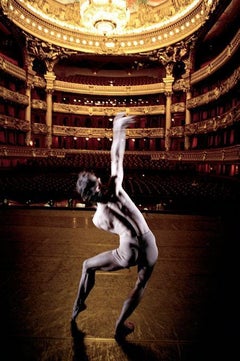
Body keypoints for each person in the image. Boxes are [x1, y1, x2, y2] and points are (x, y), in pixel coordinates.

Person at [71, 112, 158, 341]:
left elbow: (110, 220)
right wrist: (118, 128)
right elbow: (117, 156)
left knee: (87, 266)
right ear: (98, 183)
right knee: (140, 284)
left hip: (127, 251)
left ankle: (79, 305)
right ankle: (120, 326)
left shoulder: (97, 219)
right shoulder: (116, 189)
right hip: (149, 243)